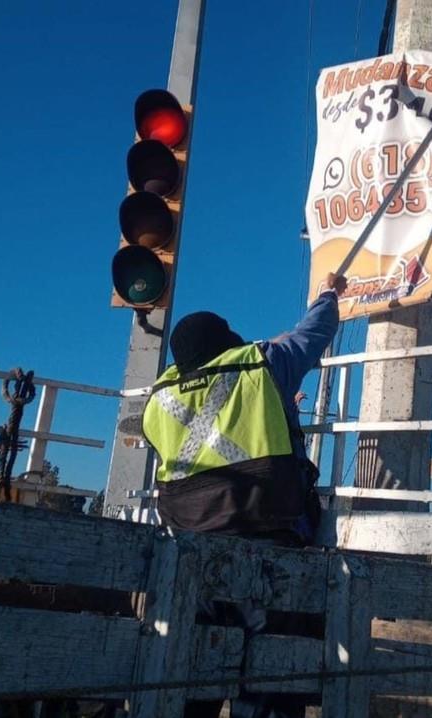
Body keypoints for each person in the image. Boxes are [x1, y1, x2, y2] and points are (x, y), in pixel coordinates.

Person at [140, 272, 346, 718]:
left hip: (188, 555)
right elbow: (315, 332)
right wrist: (328, 293)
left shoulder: (160, 396)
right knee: (270, 678)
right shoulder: (263, 364)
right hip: (269, 543)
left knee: (194, 676)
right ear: (227, 342)